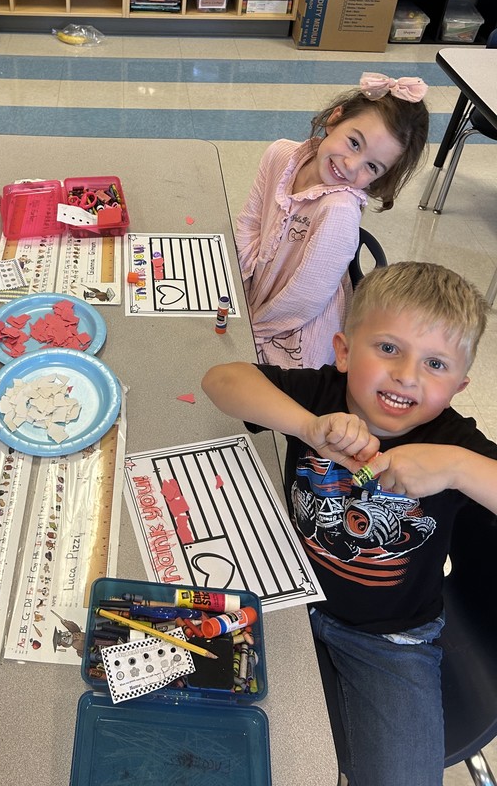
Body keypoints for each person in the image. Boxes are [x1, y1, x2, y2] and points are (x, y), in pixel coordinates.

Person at [202, 262, 497, 786]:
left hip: (391, 639)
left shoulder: (457, 442)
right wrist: (307, 427)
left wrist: (456, 466)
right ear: (342, 352)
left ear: (460, 385)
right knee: (211, 735)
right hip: (284, 596)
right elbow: (221, 379)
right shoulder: (322, 397)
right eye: (388, 349)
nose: (407, 375)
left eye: (435, 363)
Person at [236, 72, 429, 369]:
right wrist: (236, 285)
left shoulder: (339, 209)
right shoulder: (279, 154)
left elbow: (303, 300)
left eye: (373, 166)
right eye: (354, 142)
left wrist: (249, 330)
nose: (351, 166)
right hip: (253, 302)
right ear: (335, 119)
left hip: (292, 337)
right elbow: (250, 223)